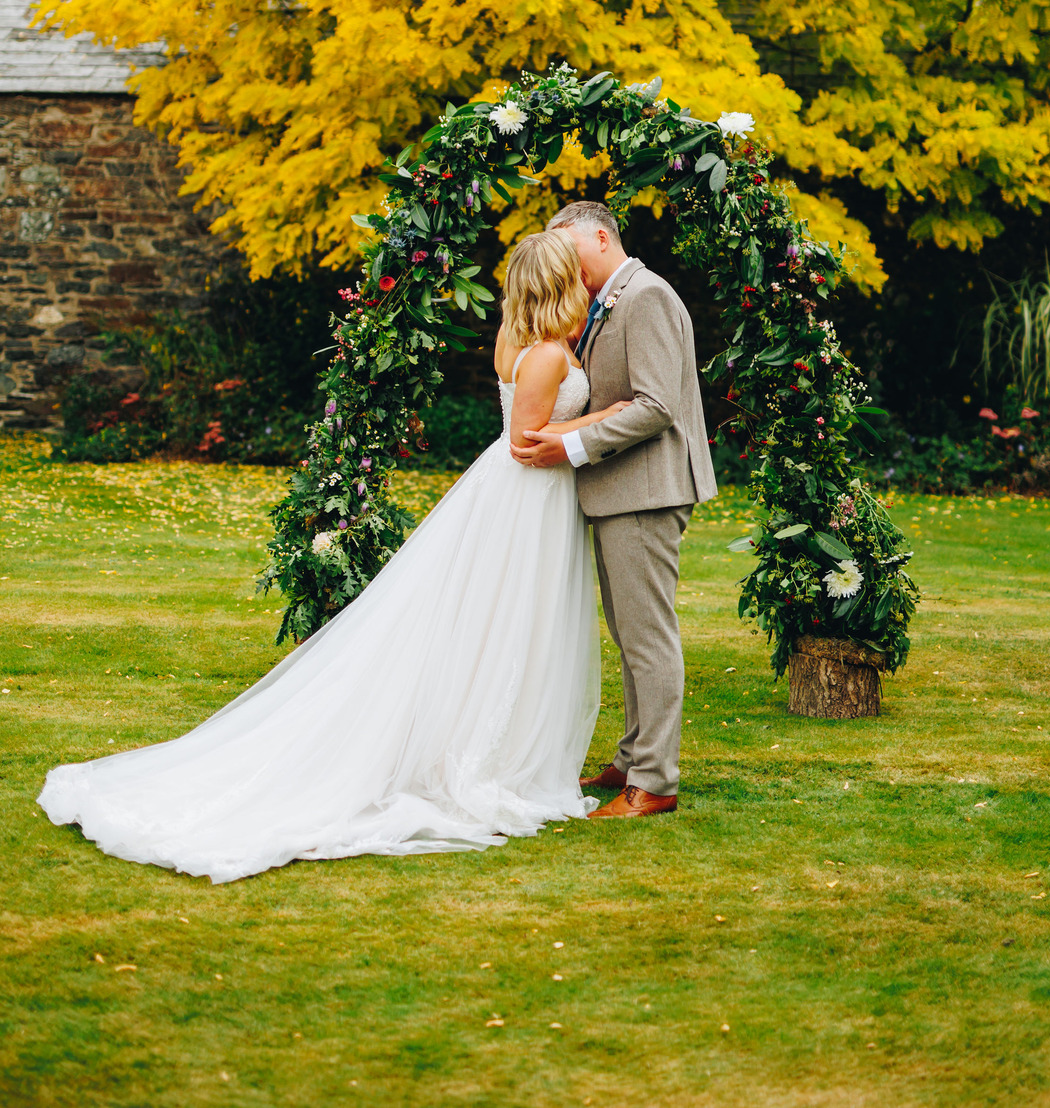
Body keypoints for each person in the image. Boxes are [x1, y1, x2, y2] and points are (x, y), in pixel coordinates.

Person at [37, 230, 628, 883]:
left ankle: (496, 739)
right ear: (556, 284)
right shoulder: (545, 354)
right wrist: (605, 418)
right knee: (511, 620)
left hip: (522, 498)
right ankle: (489, 755)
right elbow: (527, 441)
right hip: (528, 494)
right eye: (573, 276)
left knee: (501, 623)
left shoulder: (519, 340)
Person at [512, 202, 716, 818]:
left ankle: (654, 780)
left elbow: (656, 405)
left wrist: (571, 444)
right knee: (629, 633)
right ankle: (632, 755)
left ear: (600, 238)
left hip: (646, 491)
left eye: (569, 253)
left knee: (646, 635)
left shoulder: (646, 296)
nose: (565, 268)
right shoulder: (607, 299)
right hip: (622, 490)